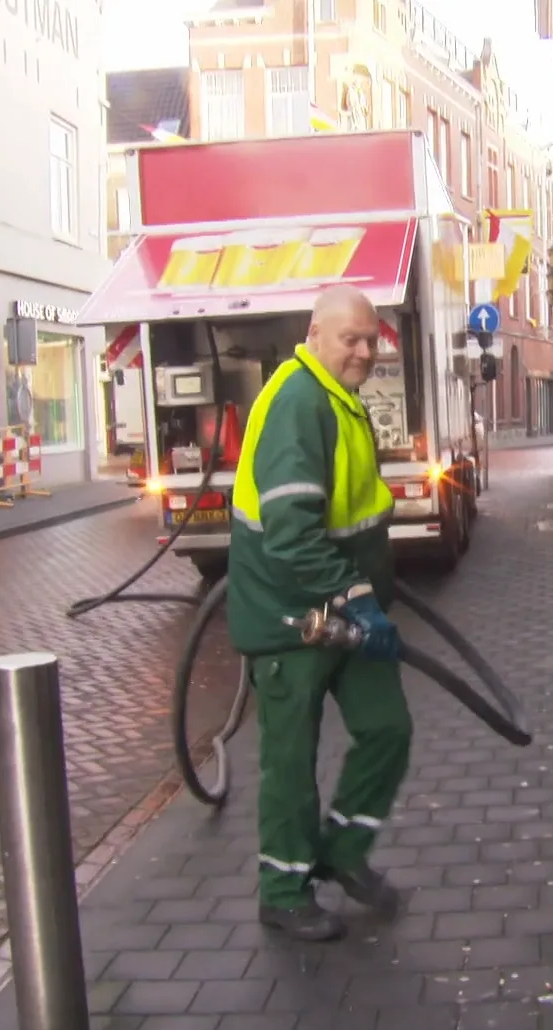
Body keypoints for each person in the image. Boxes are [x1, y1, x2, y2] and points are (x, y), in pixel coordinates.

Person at [225, 284, 412, 942]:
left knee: (387, 728)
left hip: (345, 612)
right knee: (290, 761)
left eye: (370, 340)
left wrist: (373, 591)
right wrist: (358, 596)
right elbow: (292, 534)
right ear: (314, 335)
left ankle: (343, 853)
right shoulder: (298, 403)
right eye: (349, 339)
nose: (362, 351)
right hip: (290, 619)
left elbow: (349, 513)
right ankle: (283, 891)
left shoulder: (339, 398)